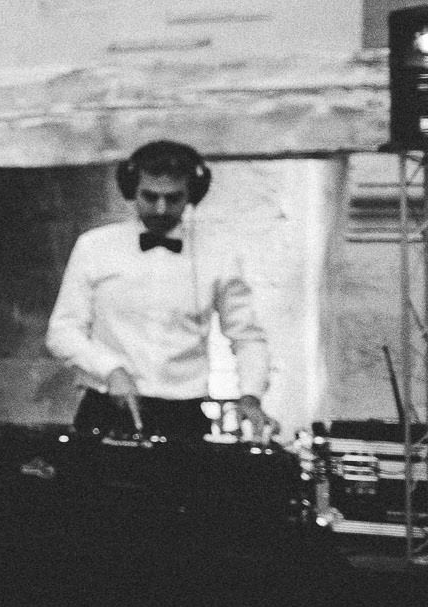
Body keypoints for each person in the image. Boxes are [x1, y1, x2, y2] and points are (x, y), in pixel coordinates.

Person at [47, 139, 274, 441]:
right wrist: (110, 370)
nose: (161, 209)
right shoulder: (94, 247)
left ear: (193, 194)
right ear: (132, 190)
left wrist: (251, 396)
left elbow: (247, 336)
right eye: (150, 197)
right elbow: (62, 331)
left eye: (173, 198)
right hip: (106, 406)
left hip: (183, 415)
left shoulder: (219, 254)